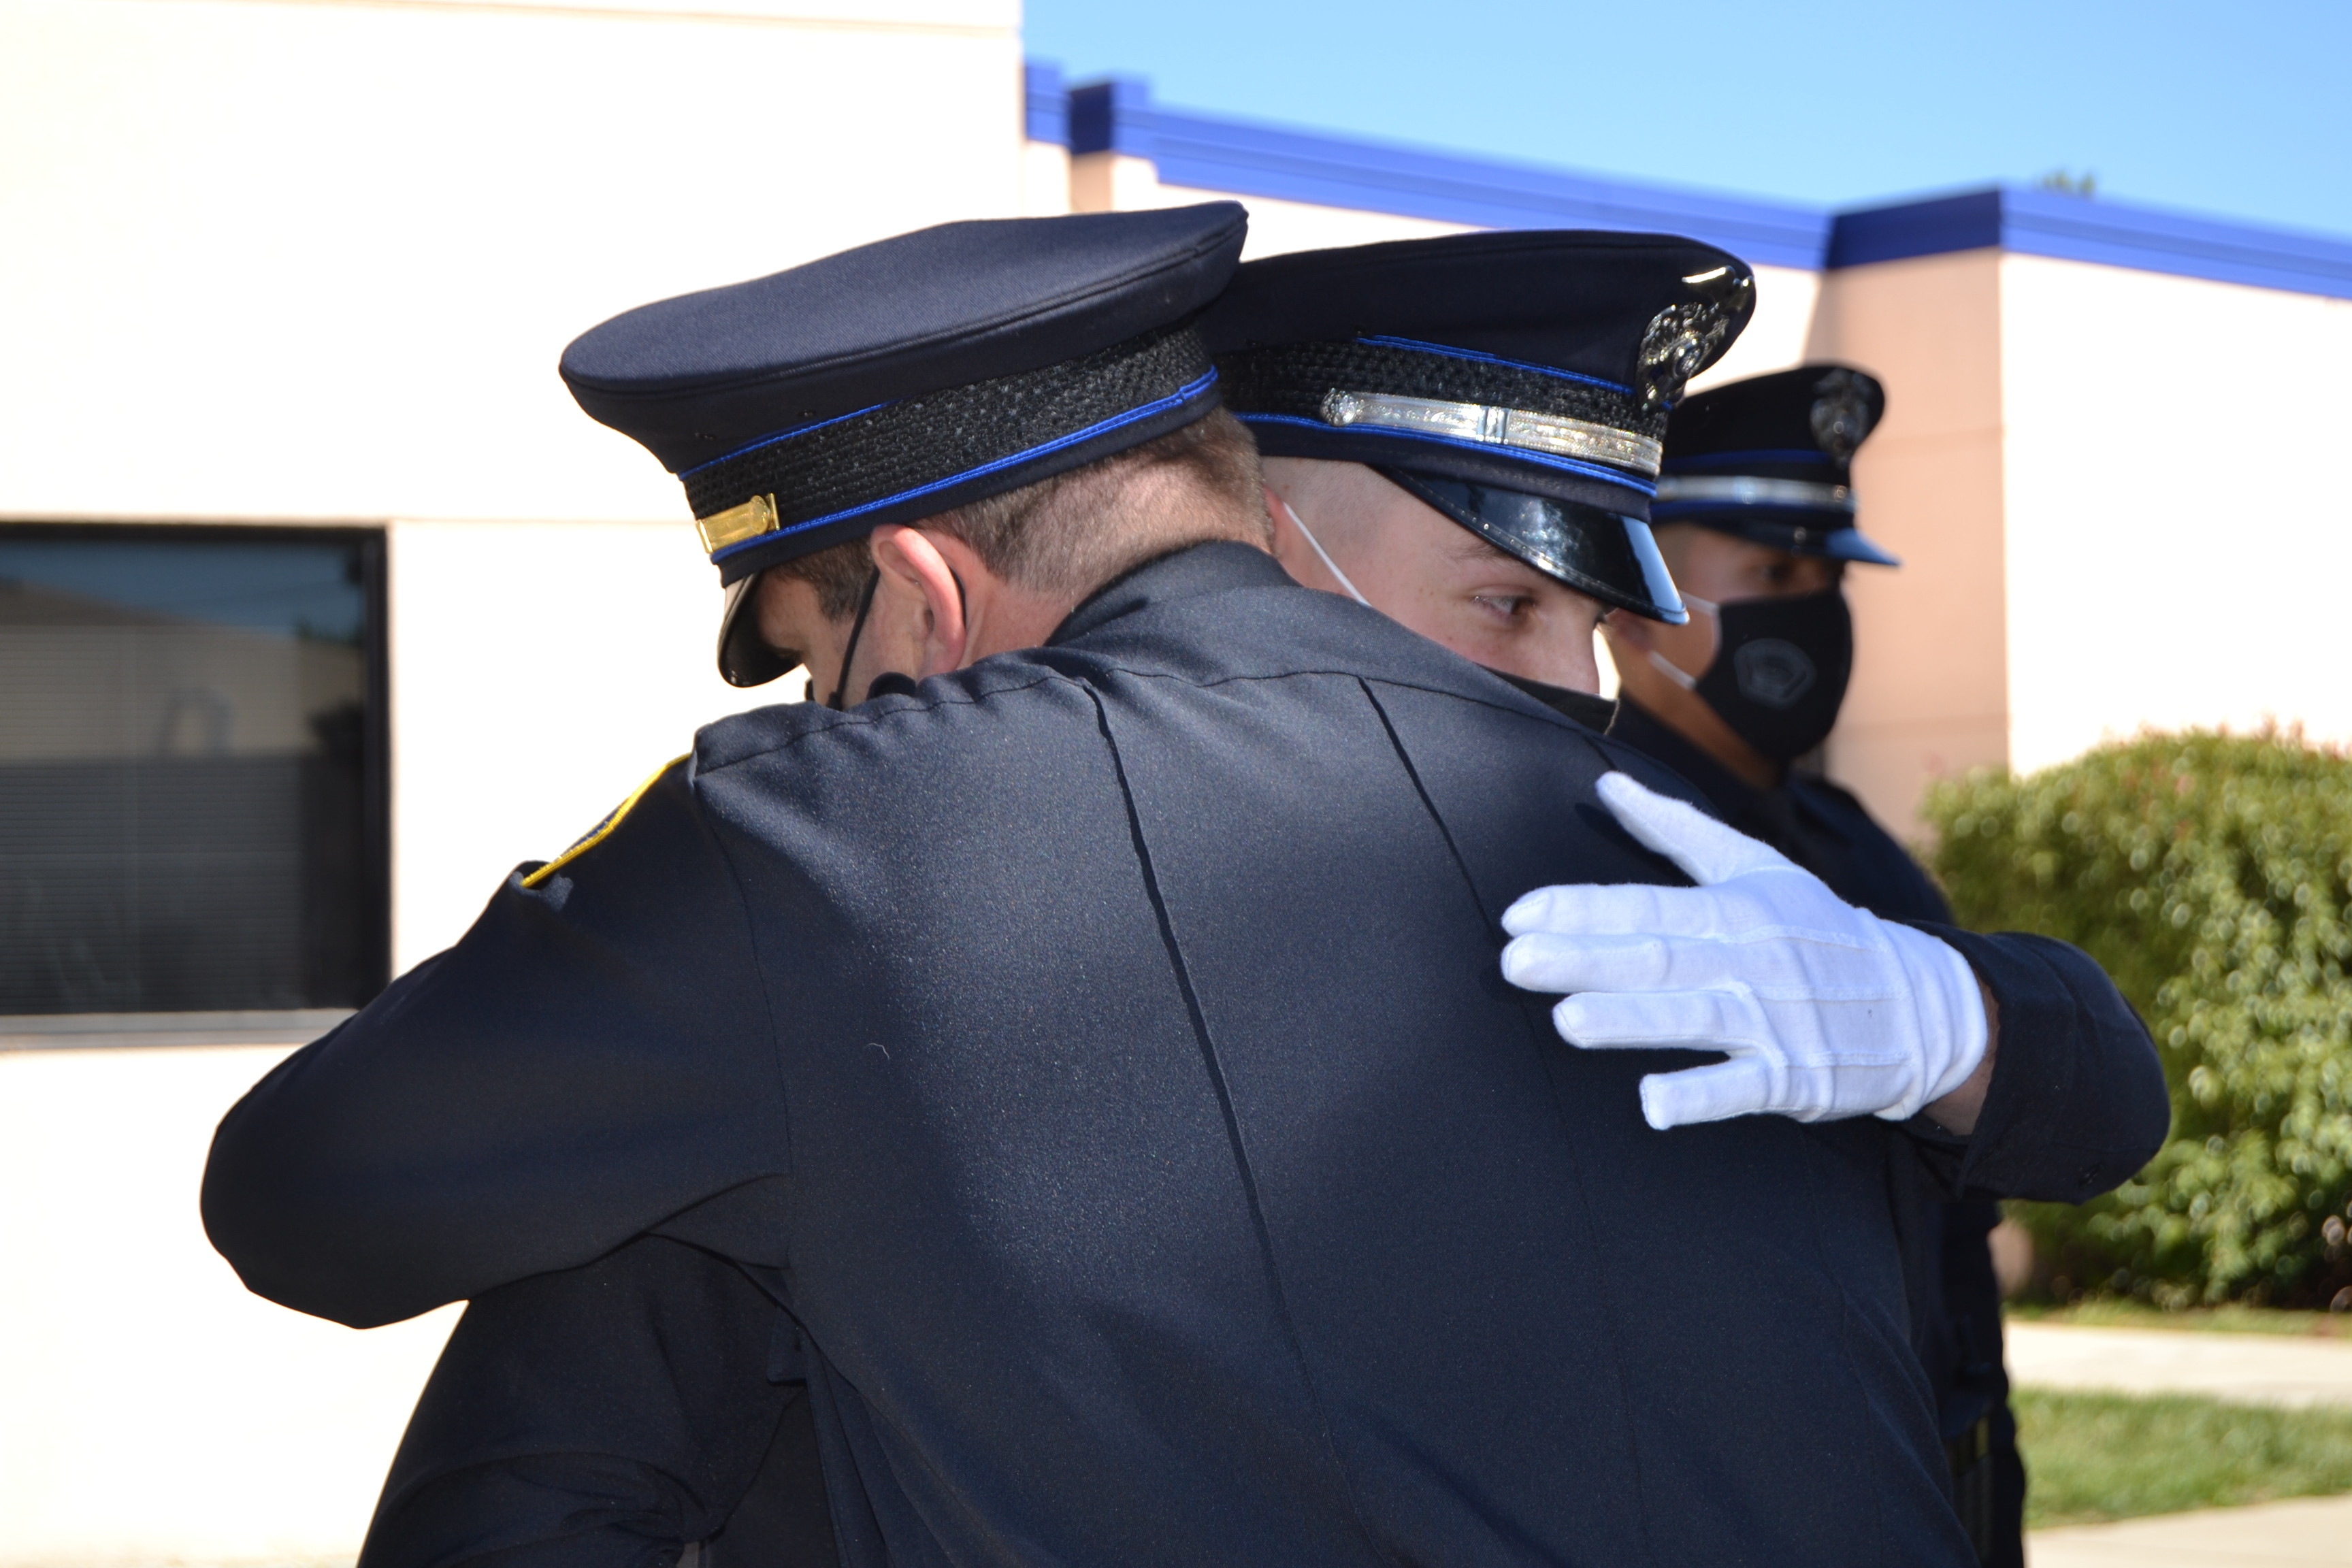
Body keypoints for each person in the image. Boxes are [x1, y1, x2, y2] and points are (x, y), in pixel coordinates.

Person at [205, 216, 2166, 1567]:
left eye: (830, 656)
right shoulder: (1693, 886)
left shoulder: (824, 868)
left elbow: (313, 1214)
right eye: (1510, 601)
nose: (1576, 677)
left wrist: (609, 941)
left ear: (931, 592)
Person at [1580, 362, 2025, 1562]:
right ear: (1633, 597)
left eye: (1829, 577)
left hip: (1943, 1457)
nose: (1815, 609)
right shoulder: (1588, 842)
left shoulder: (1854, 846)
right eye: (1774, 575)